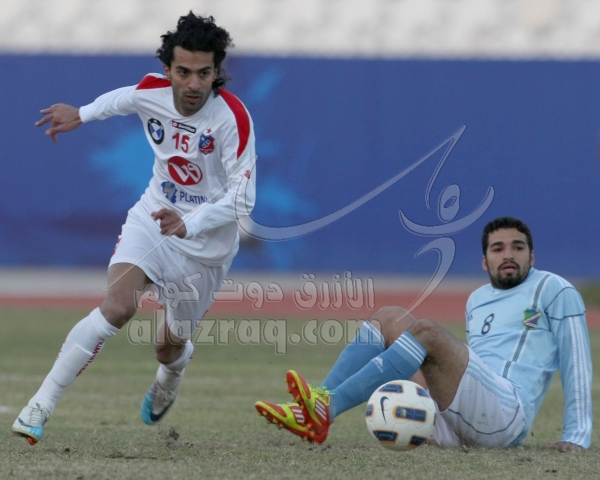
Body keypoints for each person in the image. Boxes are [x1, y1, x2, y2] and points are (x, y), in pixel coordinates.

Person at [12, 12, 256, 445]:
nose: (193, 84)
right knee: (118, 307)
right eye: (183, 72)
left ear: (217, 71)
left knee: (168, 346)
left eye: (204, 73)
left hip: (206, 249)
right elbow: (123, 99)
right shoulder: (152, 91)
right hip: (153, 220)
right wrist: (82, 113)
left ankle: (170, 375)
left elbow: (243, 198)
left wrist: (190, 223)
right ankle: (40, 405)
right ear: (168, 69)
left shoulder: (232, 119)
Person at [256, 217, 592, 451]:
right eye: (498, 248)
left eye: (518, 247)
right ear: (484, 261)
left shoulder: (553, 288)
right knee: (389, 317)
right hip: (461, 416)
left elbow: (576, 360)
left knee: (427, 332)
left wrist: (576, 434)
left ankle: (327, 408)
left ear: (532, 256)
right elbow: (470, 370)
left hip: (507, 415)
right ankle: (314, 408)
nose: (508, 255)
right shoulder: (477, 300)